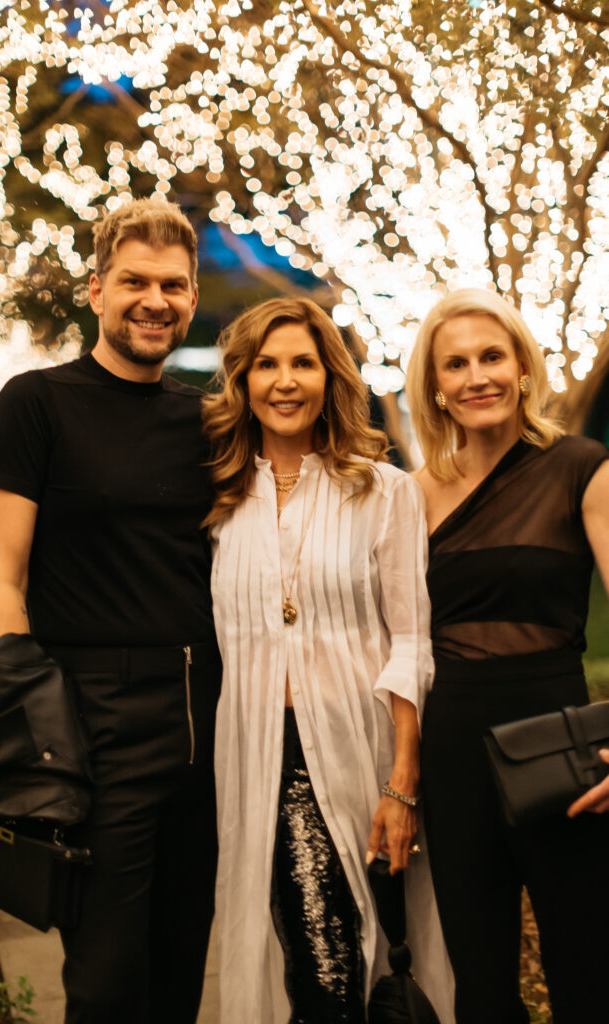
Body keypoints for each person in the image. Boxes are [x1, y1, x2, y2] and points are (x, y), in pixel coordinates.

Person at [0, 197, 222, 1024]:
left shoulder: (206, 419)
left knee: (181, 957)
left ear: (192, 296)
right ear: (96, 290)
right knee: (108, 974)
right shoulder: (34, 404)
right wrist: (25, 732)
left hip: (208, 713)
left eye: (174, 286)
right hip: (92, 712)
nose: (156, 300)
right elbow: (0, 580)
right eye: (135, 282)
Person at [203, 298, 454, 1024]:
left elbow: (411, 641)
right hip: (257, 758)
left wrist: (400, 784)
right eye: (267, 365)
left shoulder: (383, 491)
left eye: (303, 363)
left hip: (362, 752)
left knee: (370, 958)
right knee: (316, 964)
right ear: (243, 381)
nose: (285, 382)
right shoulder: (215, 499)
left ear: (329, 377)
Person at [405, 287, 609, 1024]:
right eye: (453, 364)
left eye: (491, 357)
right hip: (452, 748)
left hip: (561, 748)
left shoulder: (583, 468)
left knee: (589, 970)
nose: (474, 377)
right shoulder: (412, 493)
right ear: (433, 384)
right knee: (480, 984)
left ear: (522, 366)